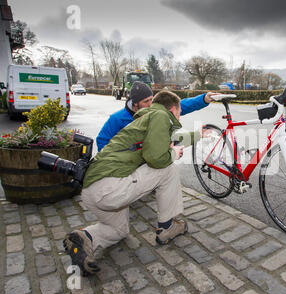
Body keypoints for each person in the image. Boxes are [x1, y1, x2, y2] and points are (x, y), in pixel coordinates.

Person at [63, 90, 202, 276]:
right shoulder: (161, 115)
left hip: (92, 190)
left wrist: (199, 135)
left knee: (118, 231)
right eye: (179, 111)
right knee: (168, 168)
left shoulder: (144, 120)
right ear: (173, 109)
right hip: (111, 186)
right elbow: (155, 157)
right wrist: (174, 154)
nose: (179, 115)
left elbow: (170, 141)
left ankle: (84, 238)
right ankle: (167, 227)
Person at [96, 81, 218, 151]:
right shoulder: (117, 119)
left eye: (151, 99)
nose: (150, 104)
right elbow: (102, 140)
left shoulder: (154, 109)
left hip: (150, 152)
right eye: (146, 101)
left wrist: (204, 99)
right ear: (135, 104)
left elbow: (180, 106)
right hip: (131, 158)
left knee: (171, 143)